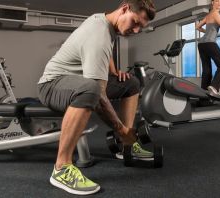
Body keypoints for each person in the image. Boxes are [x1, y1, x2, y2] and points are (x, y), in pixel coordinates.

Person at [37, 0, 156, 195]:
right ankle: (61, 168)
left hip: (77, 82)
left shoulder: (107, 25)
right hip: (52, 85)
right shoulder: (99, 34)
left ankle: (126, 145)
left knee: (132, 83)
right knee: (91, 89)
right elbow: (99, 95)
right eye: (135, 22)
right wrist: (120, 128)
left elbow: (105, 54)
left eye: (140, 28)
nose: (135, 31)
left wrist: (114, 71)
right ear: (124, 8)